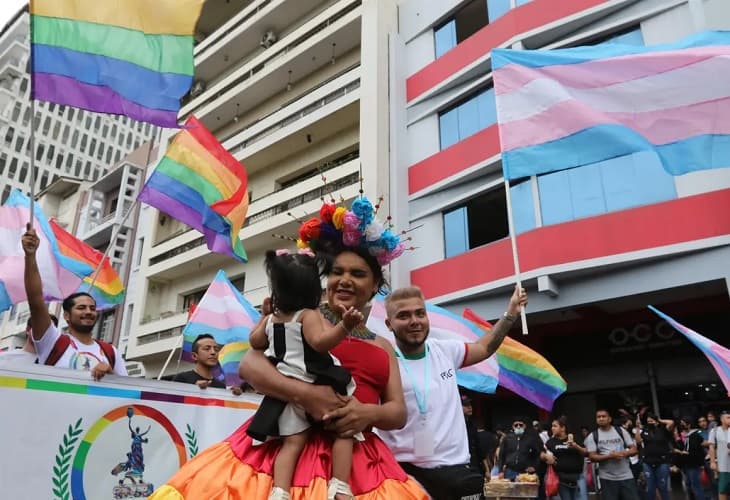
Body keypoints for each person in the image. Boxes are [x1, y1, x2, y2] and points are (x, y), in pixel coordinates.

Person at [149, 196, 428, 499]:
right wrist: (306, 394)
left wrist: (365, 413)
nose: (345, 280)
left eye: (358, 274)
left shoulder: (383, 346)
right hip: (285, 444)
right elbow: (249, 366)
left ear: (375, 285)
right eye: (337, 272)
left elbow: (397, 412)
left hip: (356, 459)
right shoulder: (296, 320)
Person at [376, 284, 527, 500]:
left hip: (455, 472)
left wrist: (510, 313)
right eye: (404, 316)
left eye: (420, 313)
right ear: (389, 324)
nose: (414, 321)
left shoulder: (445, 350)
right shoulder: (382, 361)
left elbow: (484, 348)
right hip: (404, 476)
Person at [246, 248, 365, 500]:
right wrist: (344, 326)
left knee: (291, 444)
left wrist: (264, 316)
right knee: (344, 432)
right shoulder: (308, 315)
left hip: (287, 392)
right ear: (313, 289)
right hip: (321, 382)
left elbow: (254, 341)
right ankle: (340, 486)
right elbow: (320, 343)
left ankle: (280, 491)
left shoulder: (270, 321)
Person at [22, 225, 127, 379]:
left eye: (92, 308)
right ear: (66, 315)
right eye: (81, 308)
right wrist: (30, 256)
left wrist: (110, 374)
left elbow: (129, 393)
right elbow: (35, 299)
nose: (88, 312)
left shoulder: (110, 352)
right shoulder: (52, 341)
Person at [584, 409, 640, 500]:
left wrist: (623, 453)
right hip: (607, 478)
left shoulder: (620, 431)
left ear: (610, 419)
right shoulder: (593, 436)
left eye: (604, 416)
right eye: (599, 417)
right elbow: (592, 457)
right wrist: (609, 456)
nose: (601, 419)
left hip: (626, 476)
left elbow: (634, 450)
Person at [542, 416, 587, 500]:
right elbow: (542, 453)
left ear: (563, 428)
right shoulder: (551, 442)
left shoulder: (575, 438)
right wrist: (546, 458)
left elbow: (586, 452)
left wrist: (576, 446)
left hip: (577, 478)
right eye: (552, 426)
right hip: (560, 479)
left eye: (555, 426)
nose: (552, 428)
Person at [634, 412, 676, 500]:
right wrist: (637, 427)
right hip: (648, 462)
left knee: (663, 487)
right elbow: (638, 441)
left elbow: (671, 422)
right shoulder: (645, 430)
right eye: (648, 421)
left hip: (662, 461)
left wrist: (659, 420)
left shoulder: (663, 429)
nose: (650, 423)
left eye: (651, 421)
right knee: (650, 488)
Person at [498, 416, 543, 481]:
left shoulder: (530, 439)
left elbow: (537, 454)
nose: (518, 427)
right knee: (510, 490)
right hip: (510, 471)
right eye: (516, 425)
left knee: (524, 491)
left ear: (524, 426)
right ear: (513, 427)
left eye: (520, 425)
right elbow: (501, 455)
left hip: (525, 472)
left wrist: (534, 466)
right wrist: (500, 471)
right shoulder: (507, 438)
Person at [676, 415, 707, 500]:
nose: (681, 425)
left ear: (689, 424)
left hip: (694, 465)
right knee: (691, 486)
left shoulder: (695, 435)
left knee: (696, 486)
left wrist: (680, 452)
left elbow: (691, 451)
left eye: (683, 424)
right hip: (689, 465)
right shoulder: (687, 436)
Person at [462, 393, 486, 475]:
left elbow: (479, 449)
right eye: (465, 405)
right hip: (463, 467)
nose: (470, 407)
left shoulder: (472, 425)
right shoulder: (456, 426)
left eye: (470, 404)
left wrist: (486, 469)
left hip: (476, 466)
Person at [708, 411, 730, 500]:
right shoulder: (715, 431)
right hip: (723, 466)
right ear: (721, 419)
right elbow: (711, 447)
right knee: (723, 490)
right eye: (728, 417)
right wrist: (712, 462)